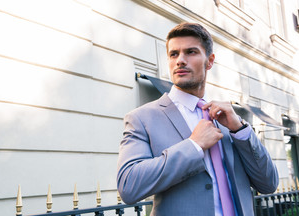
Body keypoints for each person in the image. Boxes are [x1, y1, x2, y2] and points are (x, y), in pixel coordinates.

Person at [116, 22, 279, 216]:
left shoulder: (228, 119)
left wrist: (240, 130)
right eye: (173, 54)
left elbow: (268, 183)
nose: (180, 61)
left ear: (209, 61)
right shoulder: (142, 118)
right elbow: (128, 186)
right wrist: (194, 145)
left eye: (191, 52)